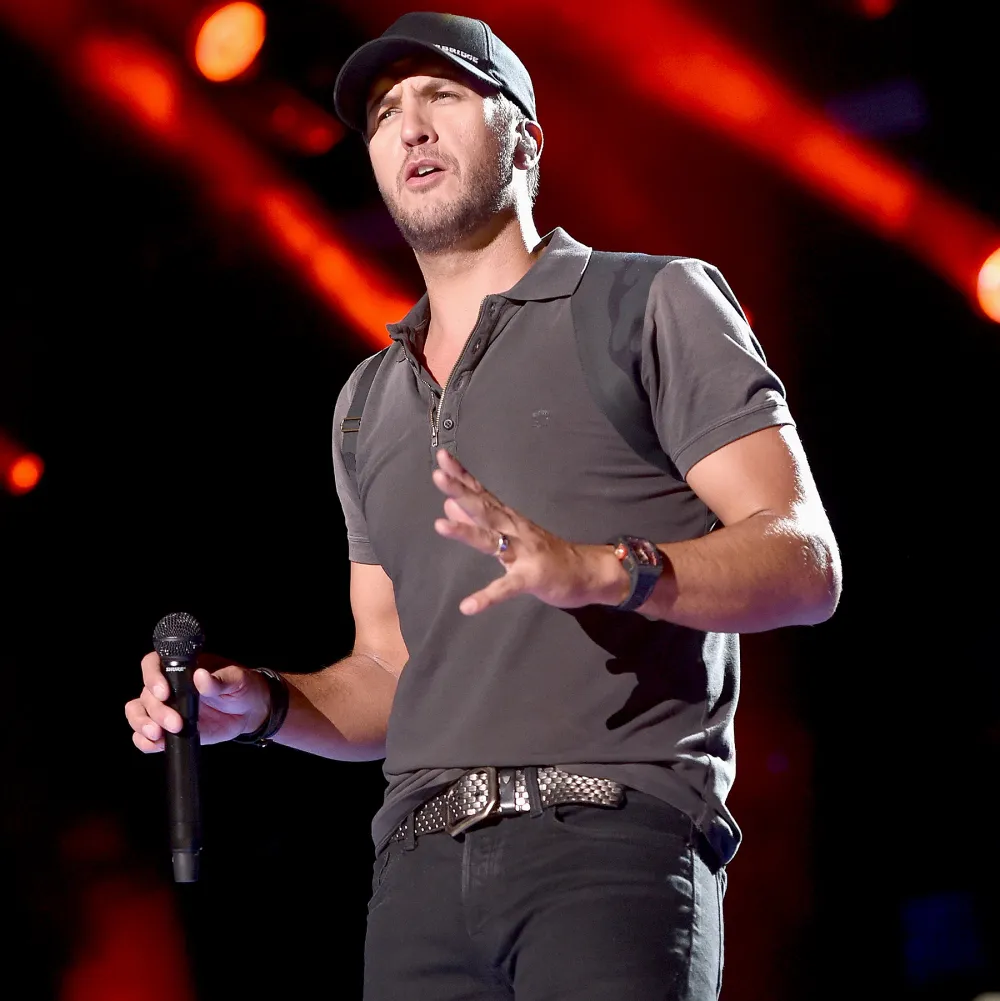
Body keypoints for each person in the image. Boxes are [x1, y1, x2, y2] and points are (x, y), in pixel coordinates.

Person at [125, 11, 842, 1000]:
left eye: (443, 96)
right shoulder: (366, 401)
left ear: (527, 140)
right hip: (417, 877)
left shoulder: (650, 301)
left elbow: (804, 562)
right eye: (385, 114)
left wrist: (602, 568)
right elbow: (389, 674)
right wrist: (260, 704)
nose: (411, 126)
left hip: (612, 842)